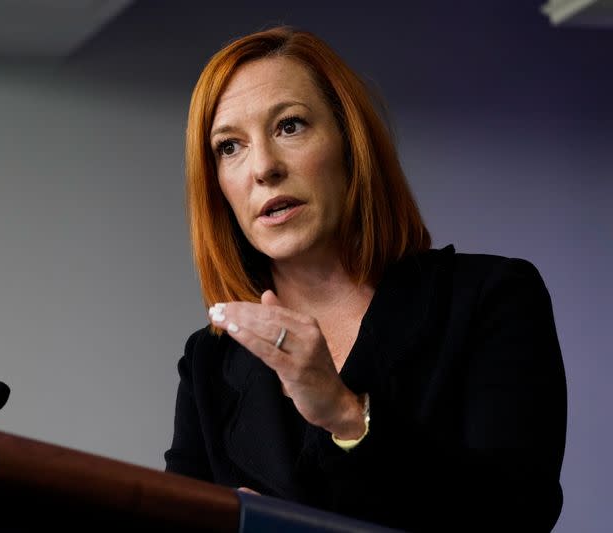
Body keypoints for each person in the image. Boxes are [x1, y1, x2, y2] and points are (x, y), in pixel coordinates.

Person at [164, 26, 567, 532]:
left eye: (290, 126)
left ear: (352, 146)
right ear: (217, 185)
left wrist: (346, 414)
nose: (263, 167)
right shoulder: (209, 360)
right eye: (229, 147)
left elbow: (517, 515)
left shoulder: (492, 297)